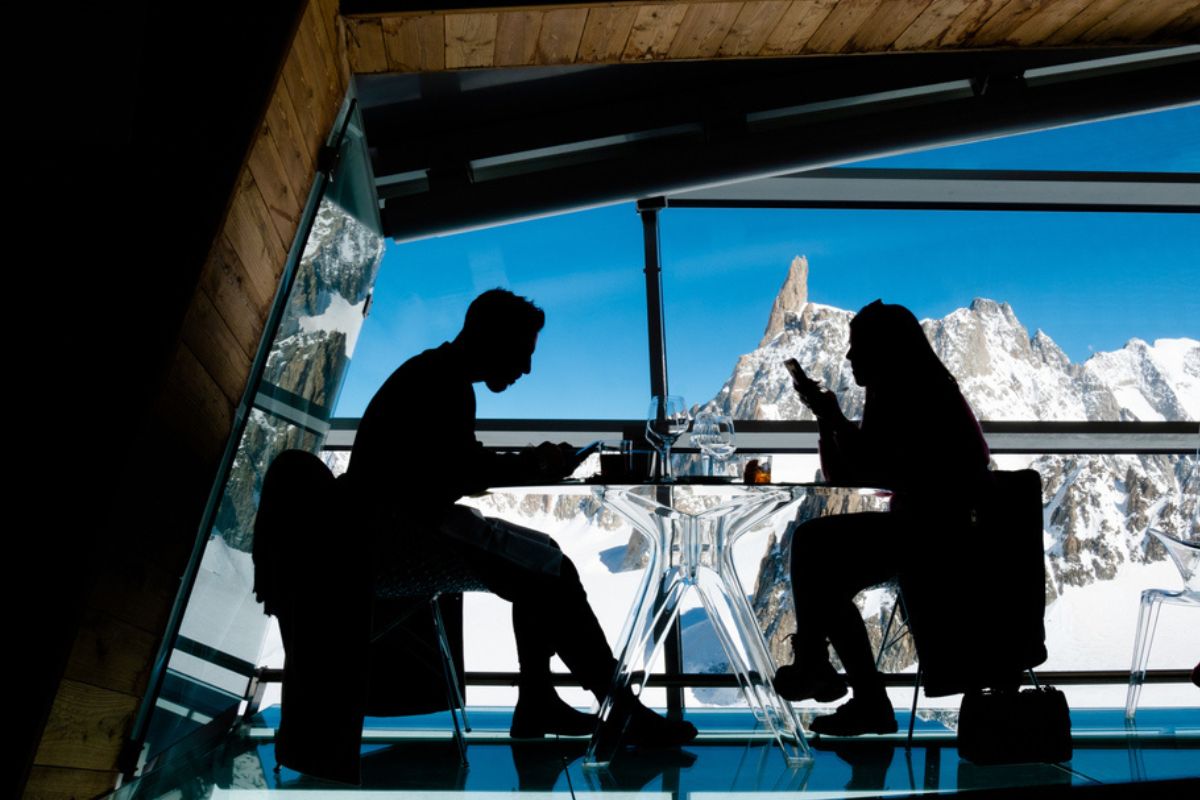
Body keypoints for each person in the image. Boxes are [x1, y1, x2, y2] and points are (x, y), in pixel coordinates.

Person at [347, 288, 696, 745]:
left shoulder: (435, 374)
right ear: (490, 338)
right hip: (398, 538)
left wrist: (530, 462)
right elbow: (461, 470)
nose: (527, 368)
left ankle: (540, 701)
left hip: (390, 528)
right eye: (522, 352)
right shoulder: (442, 383)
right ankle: (614, 708)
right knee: (548, 568)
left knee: (545, 556)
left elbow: (452, 465)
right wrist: (535, 463)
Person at [773, 300, 992, 736]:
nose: (849, 357)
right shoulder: (906, 385)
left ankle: (829, 673)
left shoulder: (910, 389)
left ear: (884, 349)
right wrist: (827, 422)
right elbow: (849, 476)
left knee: (812, 545)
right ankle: (841, 681)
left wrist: (833, 419)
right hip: (935, 528)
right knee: (820, 564)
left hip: (936, 532)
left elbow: (873, 471)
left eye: (857, 347)